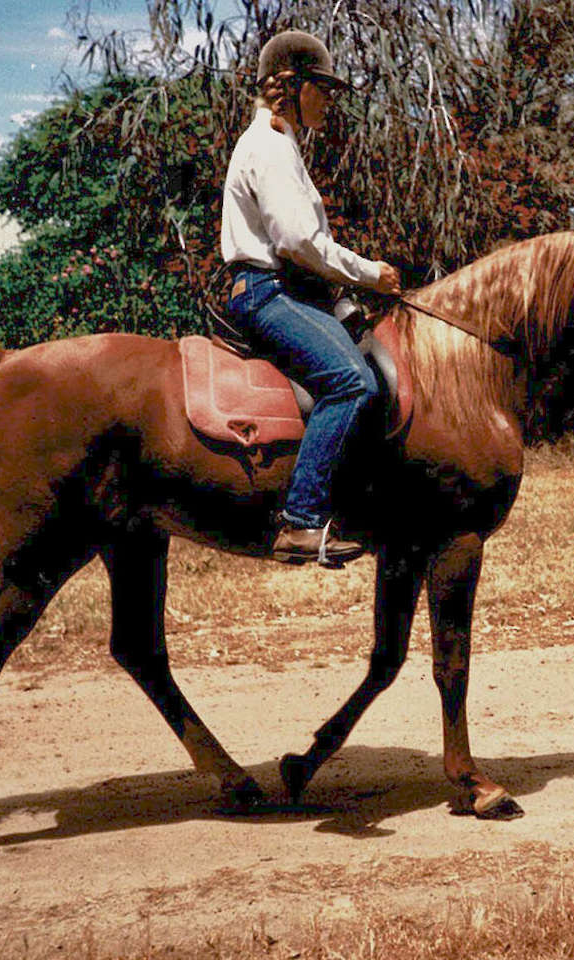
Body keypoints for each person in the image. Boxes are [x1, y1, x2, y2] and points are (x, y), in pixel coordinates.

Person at [221, 30, 401, 566]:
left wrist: (347, 305)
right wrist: (371, 274)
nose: (328, 99)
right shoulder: (272, 146)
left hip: (285, 289)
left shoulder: (280, 141)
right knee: (351, 383)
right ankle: (300, 522)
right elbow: (298, 243)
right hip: (266, 291)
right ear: (292, 87)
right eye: (322, 87)